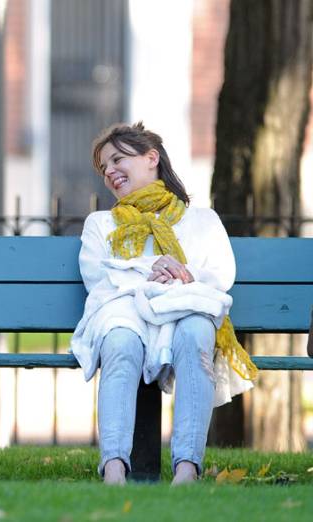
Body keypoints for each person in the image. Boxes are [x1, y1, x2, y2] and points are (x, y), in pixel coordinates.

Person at [70, 122, 256, 486]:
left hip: (186, 312)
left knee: (196, 334)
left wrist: (180, 275)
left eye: (117, 159)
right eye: (104, 167)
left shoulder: (201, 220)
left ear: (151, 158)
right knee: (119, 342)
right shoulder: (101, 224)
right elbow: (98, 278)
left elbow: (220, 274)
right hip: (126, 314)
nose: (109, 172)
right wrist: (152, 269)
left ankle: (187, 469)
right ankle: (113, 468)